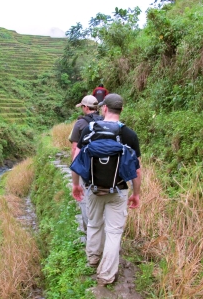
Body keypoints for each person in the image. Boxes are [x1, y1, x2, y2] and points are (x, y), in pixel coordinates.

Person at [71, 93, 142, 287]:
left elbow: (77, 158)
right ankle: (107, 275)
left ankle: (93, 259)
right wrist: (136, 194)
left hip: (93, 188)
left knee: (94, 224)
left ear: (104, 109)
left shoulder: (88, 130)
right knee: (114, 231)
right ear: (121, 110)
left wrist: (76, 184)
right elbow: (136, 169)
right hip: (118, 190)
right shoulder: (129, 134)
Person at [69, 95, 102, 231]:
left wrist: (74, 170)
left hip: (86, 167)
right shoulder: (106, 120)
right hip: (106, 166)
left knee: (85, 200)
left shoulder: (80, 124)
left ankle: (90, 232)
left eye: (82, 106)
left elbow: (74, 148)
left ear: (86, 107)